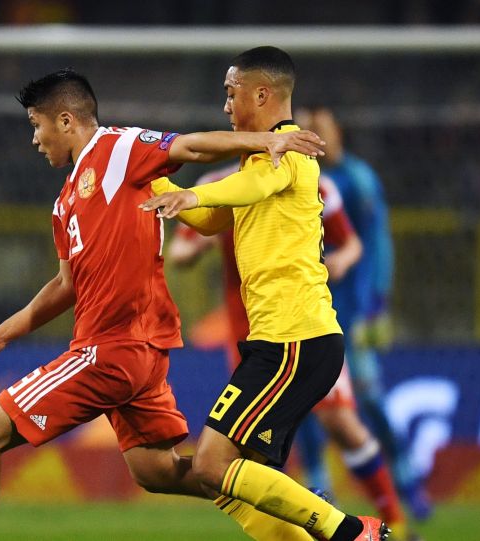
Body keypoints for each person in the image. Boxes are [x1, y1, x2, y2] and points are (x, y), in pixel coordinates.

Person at [0, 68, 330, 541]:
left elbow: (189, 147)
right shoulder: (65, 203)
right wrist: (1, 335)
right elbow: (65, 285)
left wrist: (266, 141)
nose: (35, 139)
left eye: (36, 125)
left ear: (65, 120)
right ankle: (298, 504)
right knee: (157, 471)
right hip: (135, 356)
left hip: (111, 350)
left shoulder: (116, 148)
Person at [141, 46, 389, 540]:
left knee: (211, 465)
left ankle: (350, 531)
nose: (225, 106)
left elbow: (249, 188)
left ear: (261, 94)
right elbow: (212, 219)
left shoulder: (288, 151)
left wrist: (192, 192)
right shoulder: (258, 160)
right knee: (241, 480)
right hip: (284, 341)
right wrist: (146, 181)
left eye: (230, 93)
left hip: (294, 340)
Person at [167, 165, 418, 540]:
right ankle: (321, 515)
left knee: (340, 424)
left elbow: (350, 243)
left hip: (300, 330)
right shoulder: (217, 184)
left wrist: (341, 261)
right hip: (252, 338)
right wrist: (199, 241)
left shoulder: (303, 179)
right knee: (244, 459)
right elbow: (180, 251)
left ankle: (388, 525)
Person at [298, 107, 433, 521]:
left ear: (337, 132)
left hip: (353, 310)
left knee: (369, 394)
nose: (314, 135)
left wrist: (377, 300)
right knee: (304, 400)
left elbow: (375, 241)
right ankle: (318, 481)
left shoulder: (356, 179)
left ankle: (405, 476)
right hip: (312, 309)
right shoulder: (299, 179)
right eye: (307, 128)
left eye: (320, 128)